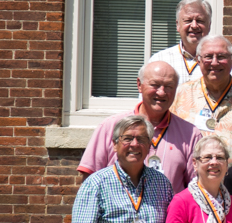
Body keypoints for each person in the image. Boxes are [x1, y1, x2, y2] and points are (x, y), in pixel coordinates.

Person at [79, 61, 200, 193]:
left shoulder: (190, 134)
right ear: (139, 85)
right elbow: (89, 181)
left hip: (169, 213)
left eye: (169, 86)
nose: (161, 92)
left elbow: (196, 188)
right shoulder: (110, 126)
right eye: (155, 85)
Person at [170, 35, 232, 163]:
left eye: (221, 57)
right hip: (191, 179)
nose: (214, 62)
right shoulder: (181, 94)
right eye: (208, 56)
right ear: (198, 60)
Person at [148, 0, 232, 83]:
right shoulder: (160, 60)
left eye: (200, 20)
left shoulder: (228, 61)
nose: (194, 26)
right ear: (177, 25)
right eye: (188, 20)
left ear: (209, 25)